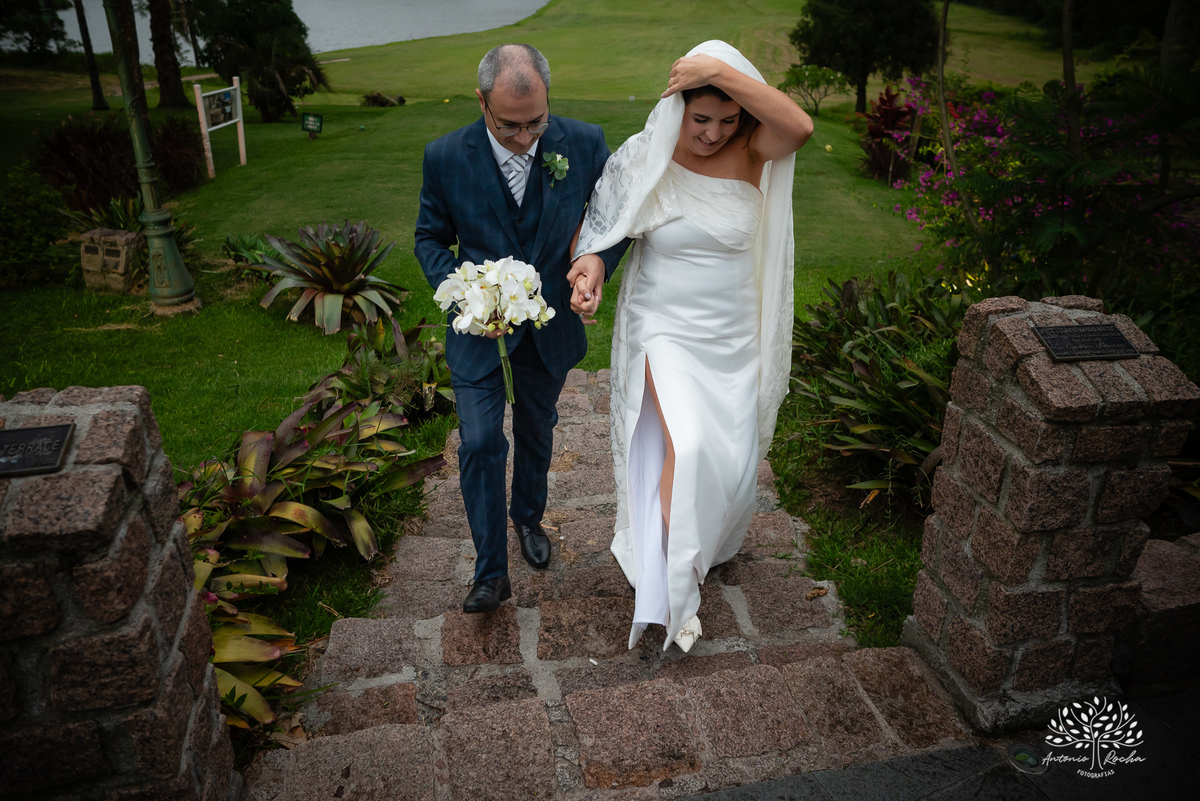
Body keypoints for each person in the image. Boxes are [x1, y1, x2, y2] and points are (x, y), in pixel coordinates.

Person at [572, 40, 813, 651]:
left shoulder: (755, 151)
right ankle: (673, 593)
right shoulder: (646, 155)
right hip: (664, 328)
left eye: (726, 119)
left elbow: (800, 125)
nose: (710, 133)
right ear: (677, 106)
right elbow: (603, 225)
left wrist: (718, 73)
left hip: (733, 337)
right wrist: (592, 267)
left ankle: (692, 549)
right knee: (689, 443)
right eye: (700, 117)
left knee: (727, 462)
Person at [415, 44, 630, 613]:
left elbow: (615, 220)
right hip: (476, 327)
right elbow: (430, 240)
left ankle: (527, 518)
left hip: (550, 322)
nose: (528, 137)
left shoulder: (582, 142)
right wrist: (465, 294)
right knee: (481, 441)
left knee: (538, 426)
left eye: (537, 121)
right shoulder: (445, 157)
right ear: (483, 102)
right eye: (510, 125)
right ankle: (490, 573)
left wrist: (598, 262)